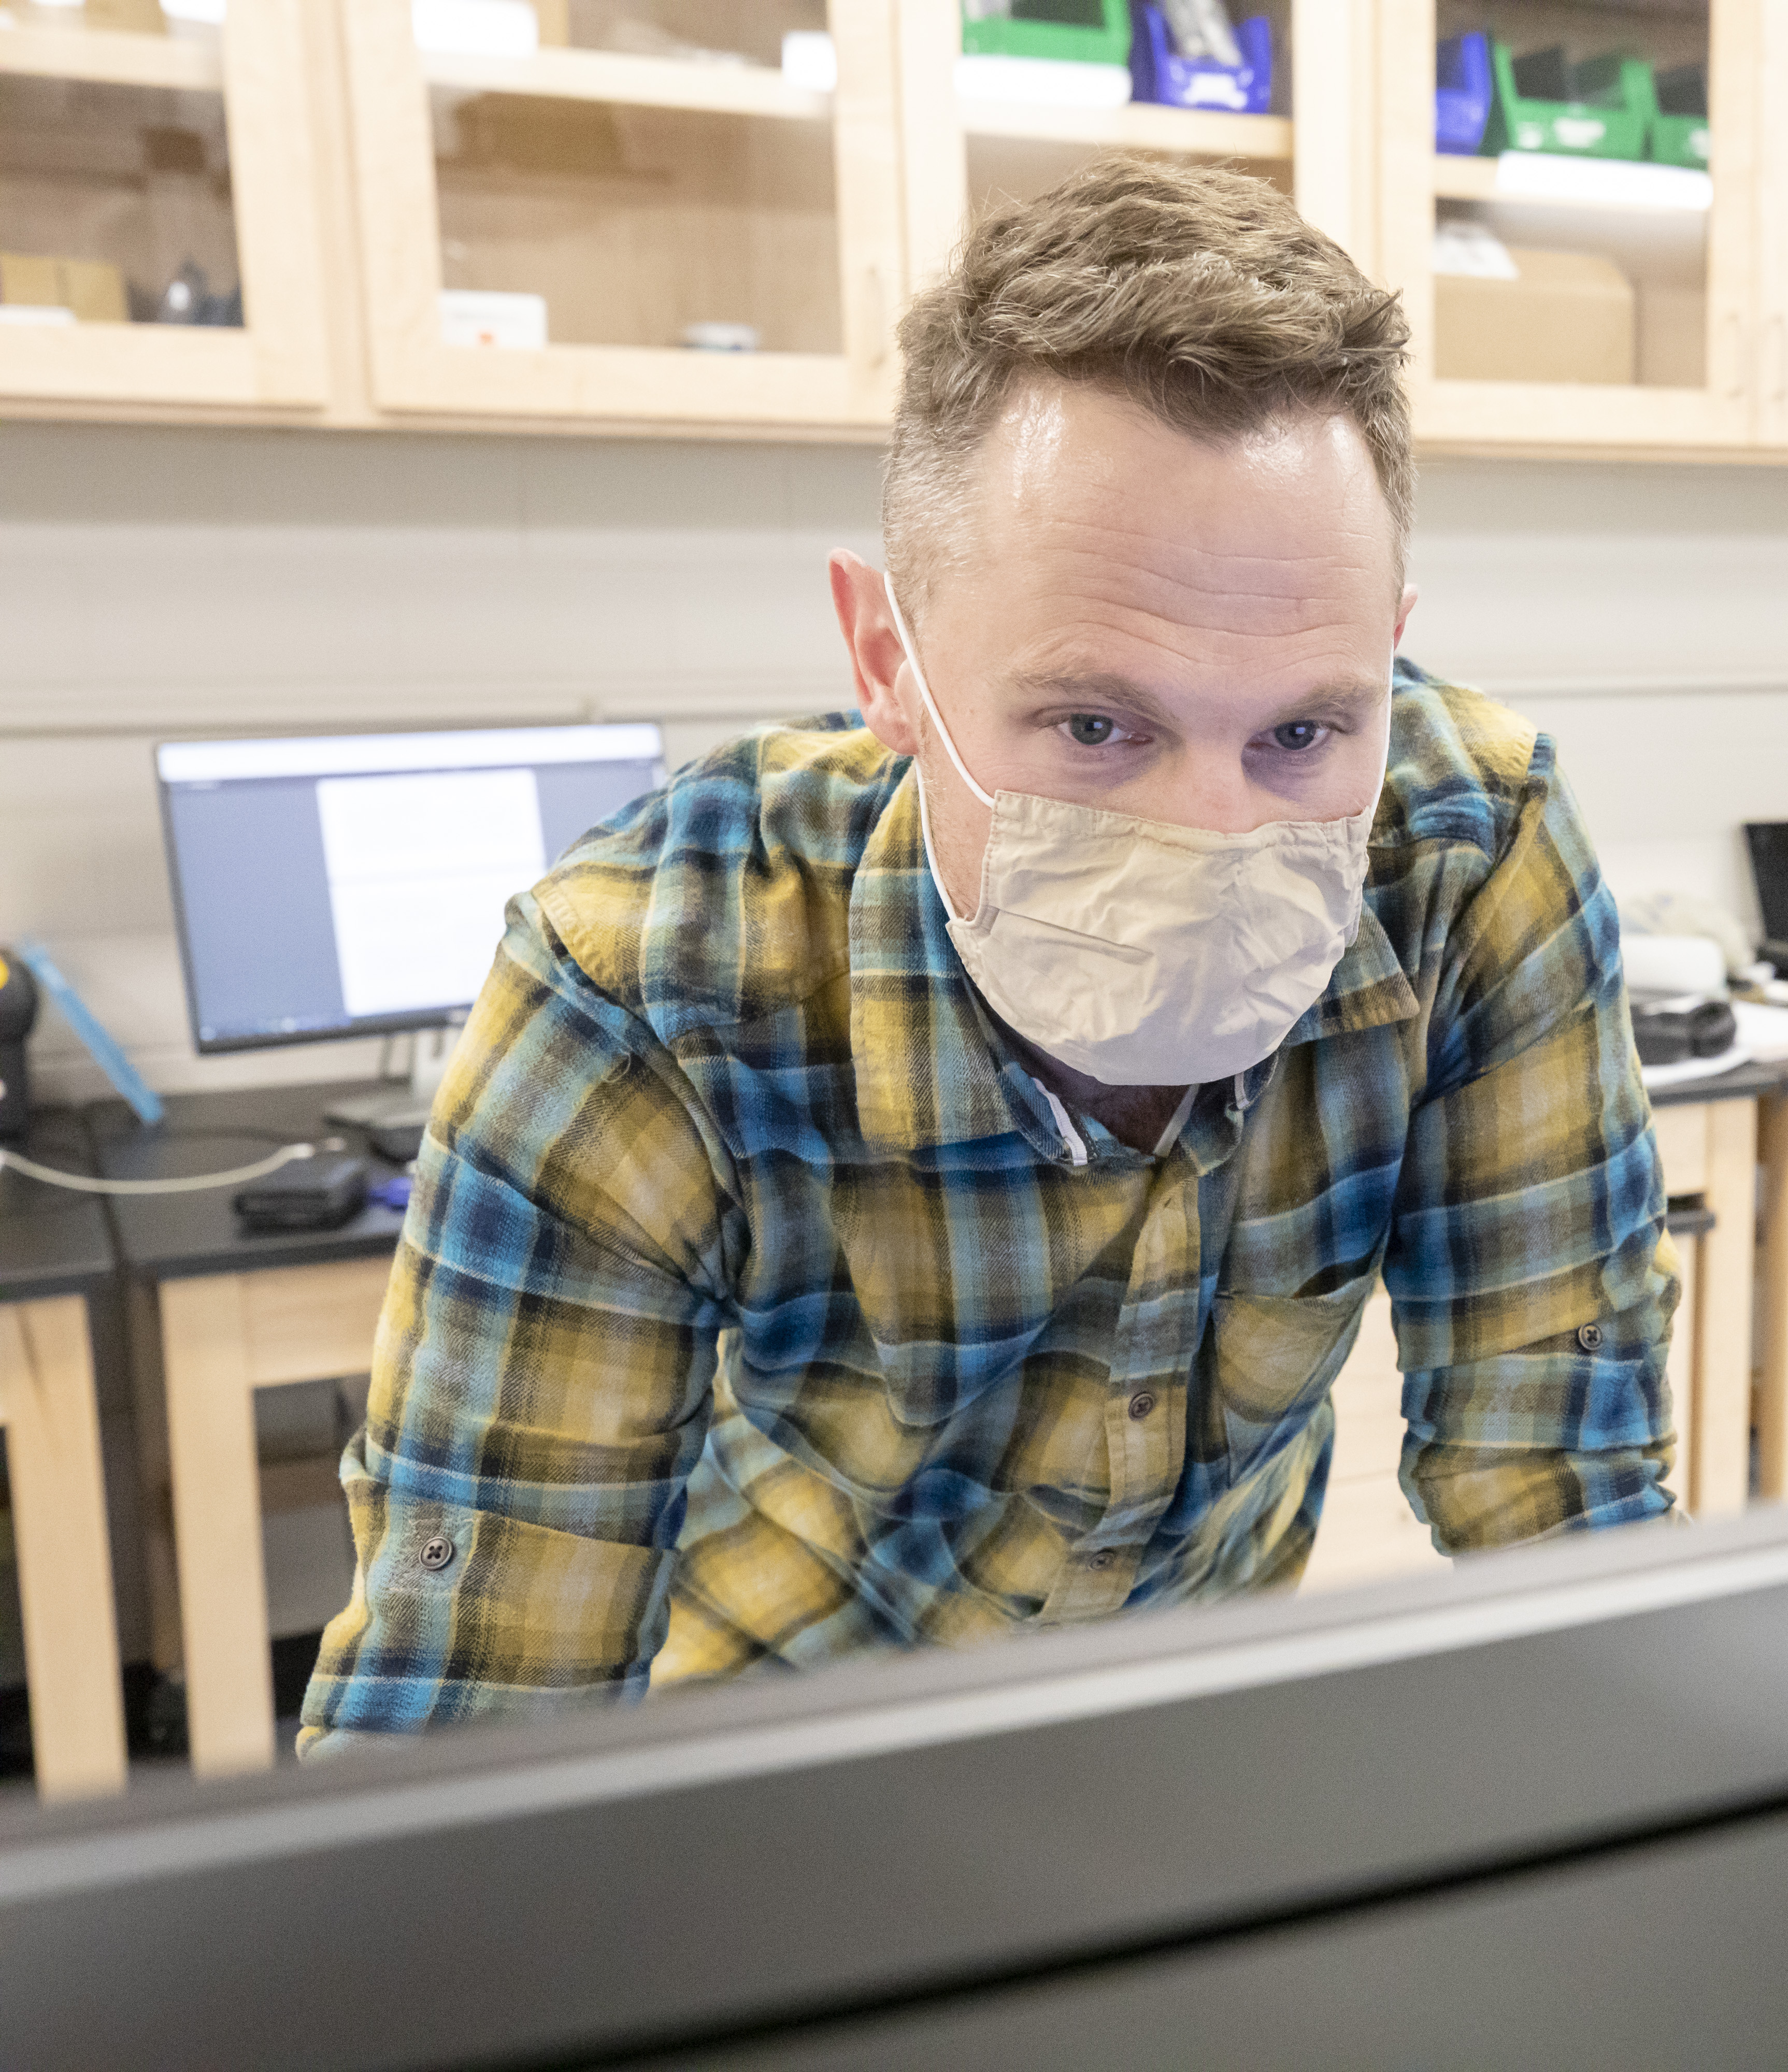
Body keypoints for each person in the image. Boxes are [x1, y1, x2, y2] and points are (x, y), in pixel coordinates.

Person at [301, 160, 1678, 1751]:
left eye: (1305, 729)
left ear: (1387, 647)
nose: (1216, 833)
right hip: (758, 1769)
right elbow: (472, 1708)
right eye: (1097, 725)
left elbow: (1561, 1486)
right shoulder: (646, 986)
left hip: (1181, 1736)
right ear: (888, 659)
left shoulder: (1466, 854)